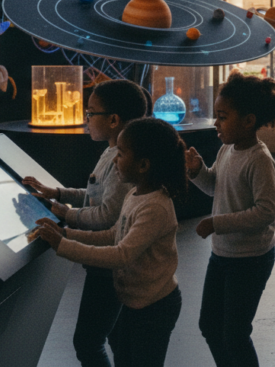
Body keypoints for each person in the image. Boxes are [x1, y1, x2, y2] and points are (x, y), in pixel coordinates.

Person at [34, 117, 189, 367]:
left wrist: (63, 246)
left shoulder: (155, 207)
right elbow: (112, 235)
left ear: (143, 165)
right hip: (134, 302)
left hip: (155, 308)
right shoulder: (133, 194)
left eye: (122, 153)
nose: (115, 160)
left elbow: (120, 255)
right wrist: (66, 234)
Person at [23, 79, 147, 367]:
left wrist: (64, 213)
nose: (86, 120)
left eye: (91, 113)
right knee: (113, 336)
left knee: (88, 342)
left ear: (114, 120)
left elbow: (107, 215)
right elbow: (93, 195)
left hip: (108, 267)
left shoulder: (120, 161)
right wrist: (57, 193)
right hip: (105, 265)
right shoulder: (112, 152)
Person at [185, 73, 275, 367]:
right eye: (216, 116)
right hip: (222, 254)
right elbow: (214, 187)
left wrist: (217, 223)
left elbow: (265, 212)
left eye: (222, 116)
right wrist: (197, 172)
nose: (216, 123)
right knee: (210, 326)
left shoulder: (259, 160)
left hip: (251, 259)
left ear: (248, 120)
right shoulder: (226, 149)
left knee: (235, 333)